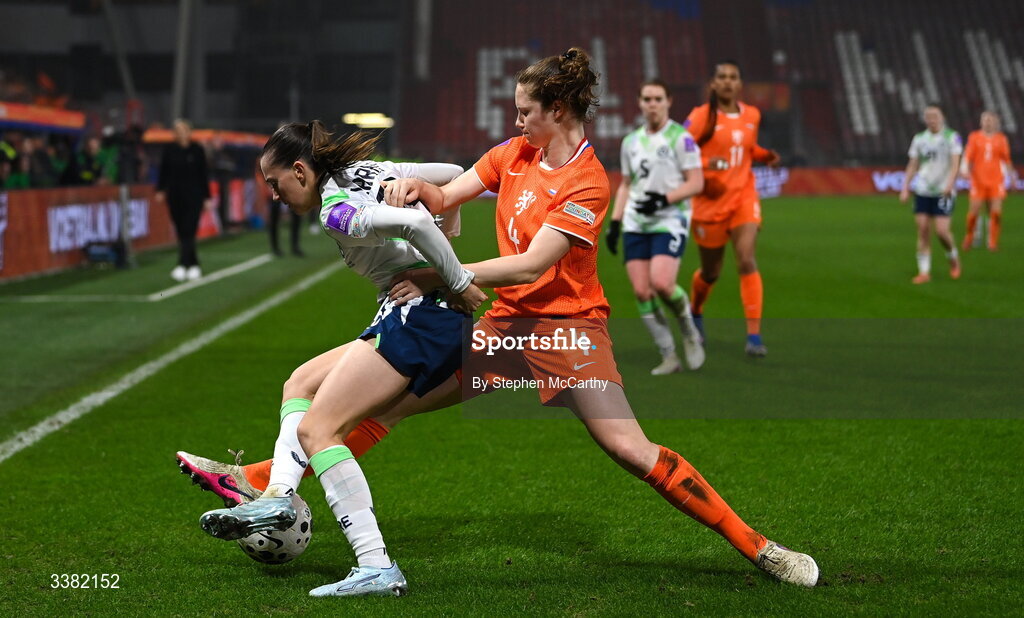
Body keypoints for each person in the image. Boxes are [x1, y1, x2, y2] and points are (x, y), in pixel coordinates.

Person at [183, 48, 818, 591]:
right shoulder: (515, 153)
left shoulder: (588, 181)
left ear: (558, 113)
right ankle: (263, 486)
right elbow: (451, 190)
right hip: (497, 330)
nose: (515, 122)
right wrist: (414, 191)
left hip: (567, 333)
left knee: (629, 448)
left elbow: (531, 265)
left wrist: (445, 276)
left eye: (525, 112)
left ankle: (761, 547)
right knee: (388, 405)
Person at [194, 121, 486, 598]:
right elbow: (454, 174)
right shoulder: (371, 171)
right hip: (411, 314)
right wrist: (438, 211)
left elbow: (414, 222)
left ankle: (376, 564)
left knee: (317, 430)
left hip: (420, 316)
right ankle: (277, 498)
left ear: (301, 170)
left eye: (275, 184)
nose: (273, 195)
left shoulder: (336, 211)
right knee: (300, 382)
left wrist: (454, 278)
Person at [606, 79, 705, 375]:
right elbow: (625, 185)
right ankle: (669, 356)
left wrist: (663, 199)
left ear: (668, 101)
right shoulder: (631, 142)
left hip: (670, 220)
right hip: (636, 222)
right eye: (647, 99)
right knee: (642, 291)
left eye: (658, 99)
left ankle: (689, 330)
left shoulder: (681, 138)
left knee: (662, 284)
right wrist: (615, 222)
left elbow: (696, 182)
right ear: (639, 102)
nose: (652, 104)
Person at [684, 61, 780, 357]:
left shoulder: (752, 115)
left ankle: (754, 336)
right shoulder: (700, 117)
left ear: (740, 84)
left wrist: (765, 155)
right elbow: (678, 153)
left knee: (746, 260)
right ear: (713, 83)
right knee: (711, 272)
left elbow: (748, 148)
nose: (727, 82)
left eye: (733, 78)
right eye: (721, 77)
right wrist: (706, 165)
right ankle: (696, 309)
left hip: (743, 197)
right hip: (708, 204)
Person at [899, 104, 962, 284]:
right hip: (923, 189)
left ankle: (953, 257)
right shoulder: (919, 139)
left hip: (943, 190)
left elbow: (955, 163)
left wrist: (950, 184)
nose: (931, 119)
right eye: (928, 116)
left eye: (935, 115)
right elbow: (913, 164)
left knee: (942, 231)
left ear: (942, 117)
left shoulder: (952, 137)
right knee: (923, 230)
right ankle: (924, 272)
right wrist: (905, 187)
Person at [157, 119, 212, 282]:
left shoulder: (197, 150)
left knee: (189, 229)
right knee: (181, 230)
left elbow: (203, 175)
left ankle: (182, 264)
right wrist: (160, 190)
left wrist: (207, 197)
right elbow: (164, 171)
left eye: (183, 130)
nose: (180, 133)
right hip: (174, 195)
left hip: (194, 195)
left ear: (189, 132)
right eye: (177, 130)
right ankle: (194, 264)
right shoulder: (169, 150)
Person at [961, 110, 1012, 252]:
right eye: (986, 119)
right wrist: (964, 169)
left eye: (991, 120)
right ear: (981, 121)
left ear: (995, 122)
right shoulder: (974, 137)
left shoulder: (1001, 139)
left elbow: (1006, 159)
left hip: (996, 181)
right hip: (978, 180)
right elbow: (968, 156)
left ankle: (992, 242)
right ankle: (969, 237)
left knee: (995, 212)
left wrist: (1012, 176)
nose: (988, 122)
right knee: (974, 212)